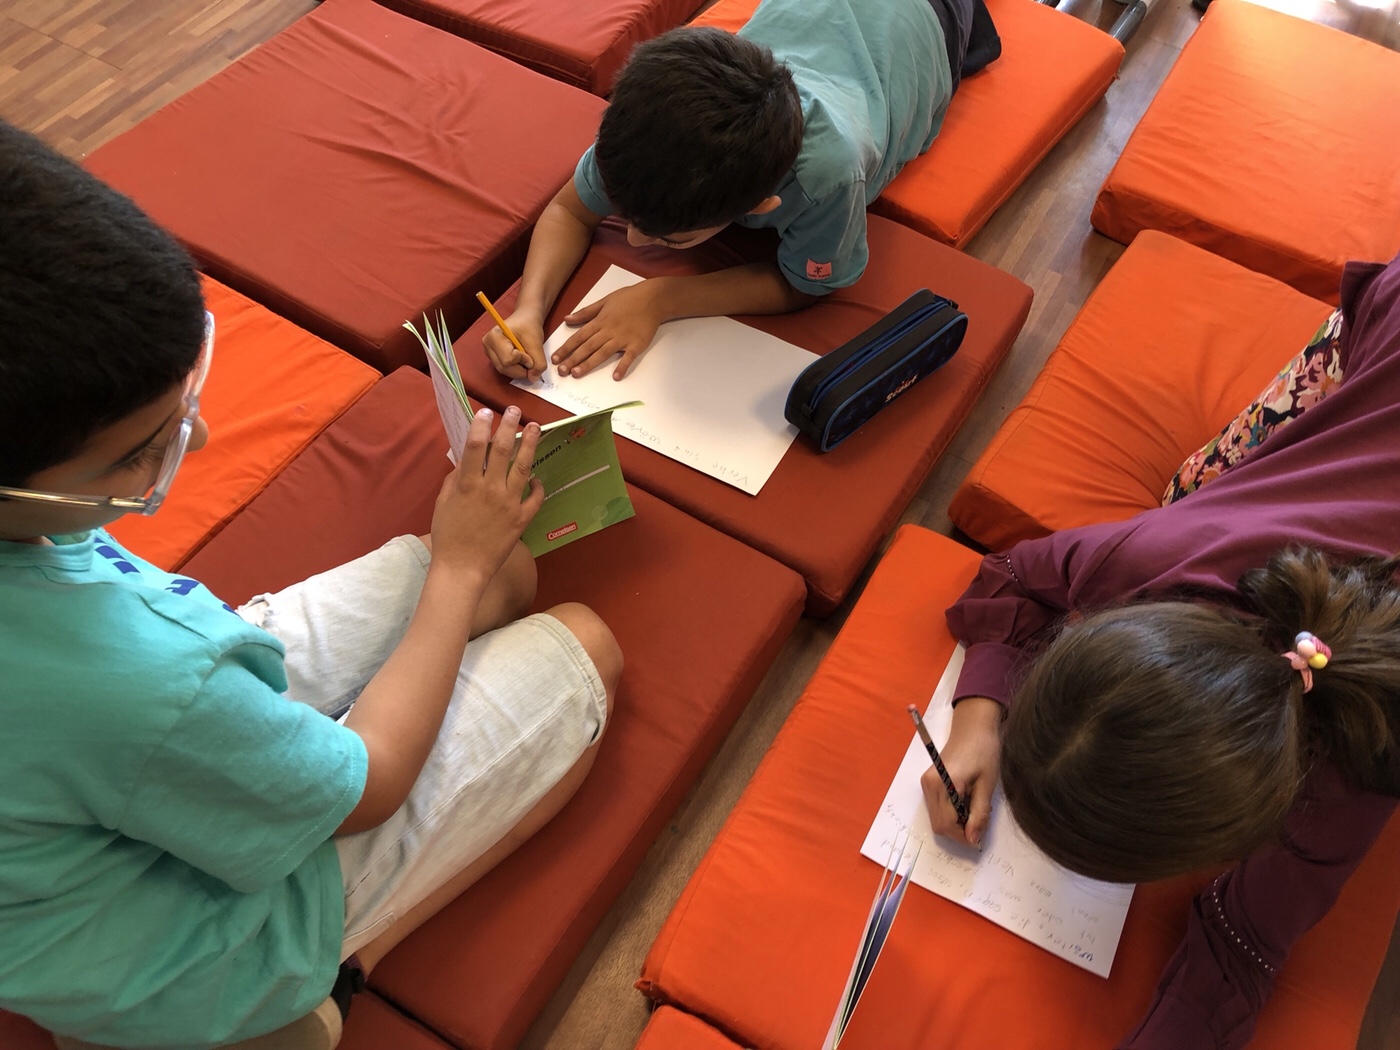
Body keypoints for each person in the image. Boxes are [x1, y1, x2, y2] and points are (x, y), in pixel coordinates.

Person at [0, 119, 621, 1049]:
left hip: (96, 785)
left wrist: (463, 570)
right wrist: (455, 567)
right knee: (585, 647)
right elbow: (367, 787)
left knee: (503, 573)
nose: (197, 442)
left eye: (182, 405)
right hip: (185, 943)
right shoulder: (135, 686)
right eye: (138, 452)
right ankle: (322, 975)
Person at [924, 248, 1400, 1049]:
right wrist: (977, 718)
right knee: (1195, 488)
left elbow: (1245, 942)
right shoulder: (1153, 552)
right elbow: (1013, 575)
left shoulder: (1367, 747)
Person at [482, 0, 1000, 383]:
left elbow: (807, 285)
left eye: (671, 240)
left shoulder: (828, 177)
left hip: (931, 14)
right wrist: (528, 310)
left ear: (761, 206)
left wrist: (663, 297)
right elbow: (569, 211)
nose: (634, 239)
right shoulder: (649, 128)